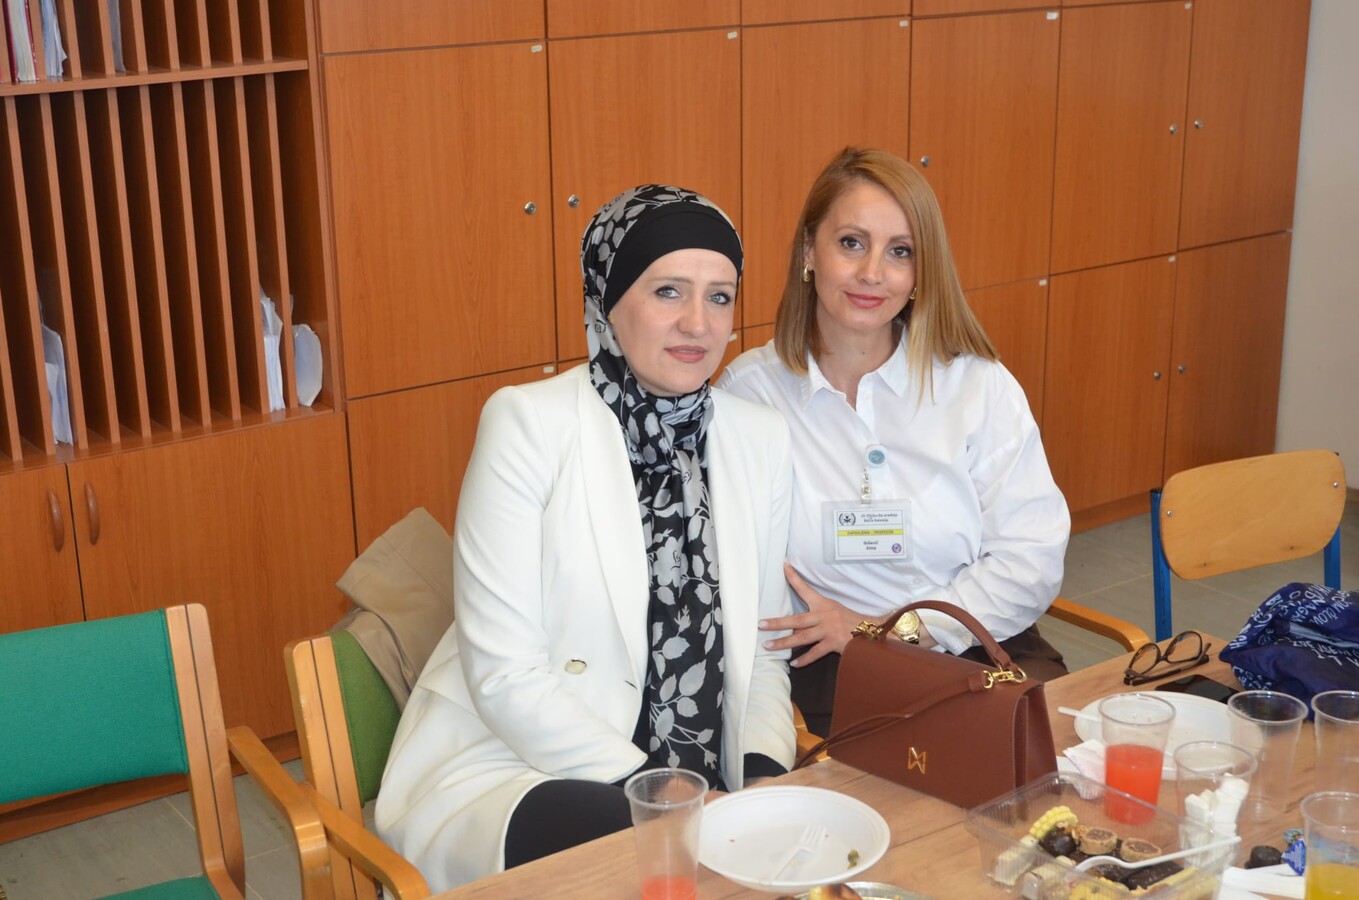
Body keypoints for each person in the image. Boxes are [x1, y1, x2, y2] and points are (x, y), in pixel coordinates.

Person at [375, 185, 797, 890]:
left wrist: (759, 777)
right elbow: (505, 676)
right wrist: (660, 790)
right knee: (653, 860)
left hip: (703, 777)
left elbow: (765, 650)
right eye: (668, 291)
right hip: (518, 761)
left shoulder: (759, 438)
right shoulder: (527, 424)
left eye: (720, 297)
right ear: (609, 299)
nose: (698, 322)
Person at [718, 148, 1070, 737]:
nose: (872, 273)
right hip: (832, 667)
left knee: (1047, 776)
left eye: (900, 251)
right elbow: (733, 571)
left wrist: (892, 631)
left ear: (921, 271)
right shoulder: (749, 394)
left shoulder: (976, 385)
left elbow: (1032, 557)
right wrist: (852, 641)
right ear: (809, 252)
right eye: (851, 243)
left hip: (980, 646)